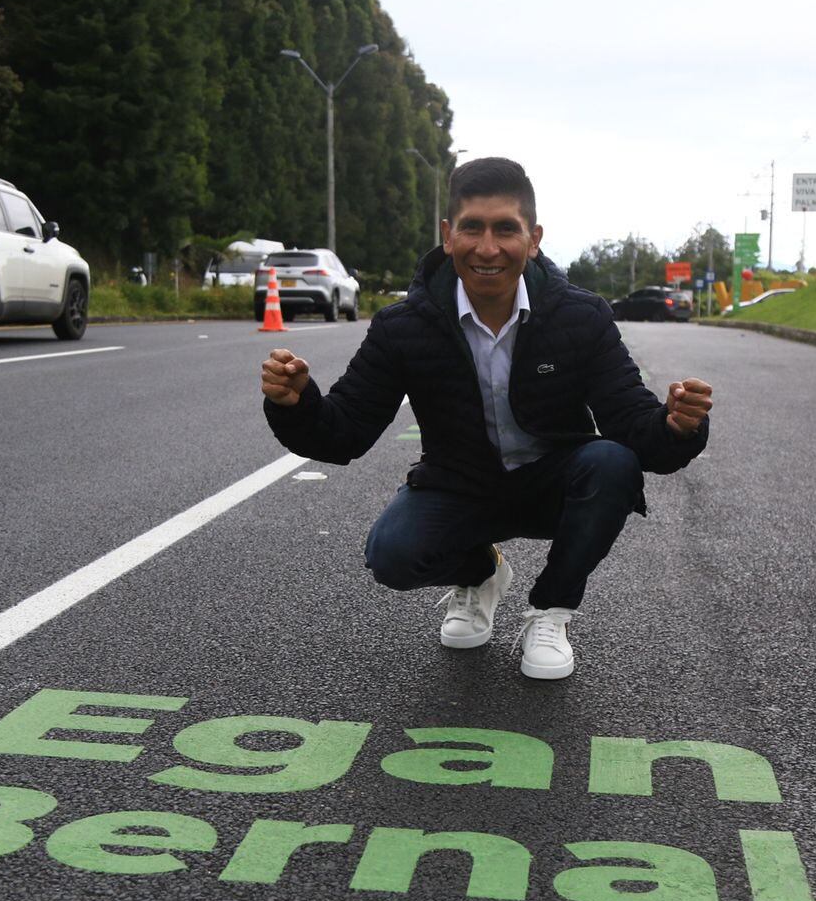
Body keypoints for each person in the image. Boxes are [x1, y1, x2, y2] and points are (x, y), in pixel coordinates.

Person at [259, 157, 712, 681]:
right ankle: (481, 574)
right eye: (473, 227)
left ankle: (550, 614)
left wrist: (677, 426)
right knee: (392, 555)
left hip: (552, 485)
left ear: (534, 238)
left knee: (612, 464)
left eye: (506, 229)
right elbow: (345, 432)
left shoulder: (581, 317)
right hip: (461, 485)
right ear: (448, 236)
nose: (488, 248)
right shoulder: (403, 327)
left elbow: (631, 422)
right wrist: (296, 402)